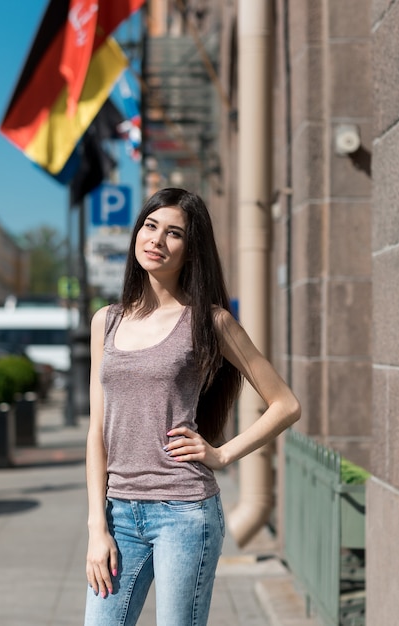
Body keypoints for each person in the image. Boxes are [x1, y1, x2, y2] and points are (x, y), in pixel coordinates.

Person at [84, 187, 301, 626]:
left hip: (184, 514)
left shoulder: (209, 320)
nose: (156, 240)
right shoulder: (105, 321)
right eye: (150, 226)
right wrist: (96, 527)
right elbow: (97, 430)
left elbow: (286, 403)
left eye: (174, 233)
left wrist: (222, 454)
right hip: (119, 513)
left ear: (191, 248)